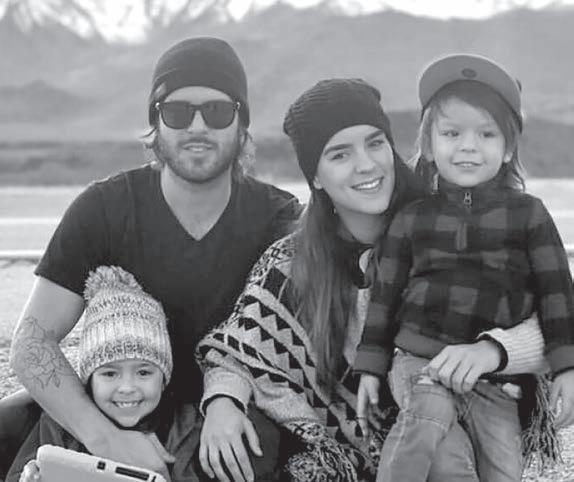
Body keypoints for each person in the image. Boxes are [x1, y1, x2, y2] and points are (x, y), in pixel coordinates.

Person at [196, 78, 553, 481]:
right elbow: (237, 350)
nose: (366, 164)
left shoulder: (448, 225)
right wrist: (224, 401)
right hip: (352, 448)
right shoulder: (291, 261)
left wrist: (491, 351)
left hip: (467, 419)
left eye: (375, 143)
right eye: (340, 154)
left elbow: (551, 316)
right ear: (315, 177)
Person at [3, 36, 302, 481]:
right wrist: (106, 441)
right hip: (115, 406)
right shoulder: (104, 209)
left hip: (227, 419)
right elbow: (32, 343)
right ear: (155, 122)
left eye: (217, 111)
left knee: (251, 450)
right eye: (177, 112)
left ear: (242, 123)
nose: (197, 127)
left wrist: (228, 399)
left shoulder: (279, 219)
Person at [355, 54, 574, 482]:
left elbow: (558, 298)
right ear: (429, 145)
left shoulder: (528, 215)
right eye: (452, 133)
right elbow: (384, 299)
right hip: (421, 362)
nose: (468, 146)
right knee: (433, 430)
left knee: (502, 470)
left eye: (486, 134)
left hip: (495, 379)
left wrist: (568, 367)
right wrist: (370, 368)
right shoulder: (412, 218)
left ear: (507, 148)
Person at [8, 265, 199, 482]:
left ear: (164, 379)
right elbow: (20, 473)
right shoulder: (59, 424)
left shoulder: (185, 427)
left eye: (144, 372)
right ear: (89, 380)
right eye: (110, 374)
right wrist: (30, 476)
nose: (127, 387)